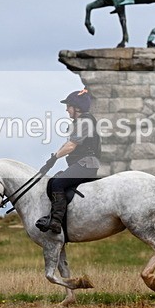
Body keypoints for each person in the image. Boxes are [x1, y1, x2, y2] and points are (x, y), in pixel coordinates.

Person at [35, 88, 101, 234]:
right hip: (82, 163)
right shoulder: (80, 122)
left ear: (77, 107)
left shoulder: (85, 122)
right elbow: (67, 145)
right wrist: (53, 158)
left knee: (57, 183)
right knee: (54, 180)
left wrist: (54, 158)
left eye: (68, 106)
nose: (66, 110)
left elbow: (71, 146)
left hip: (86, 163)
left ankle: (56, 221)